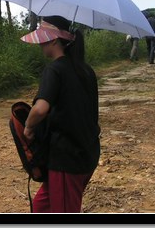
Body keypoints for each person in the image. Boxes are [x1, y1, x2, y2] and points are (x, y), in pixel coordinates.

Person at [20, 16, 100, 213]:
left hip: (67, 160)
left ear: (54, 40)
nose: (40, 44)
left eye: (42, 39)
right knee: (41, 207)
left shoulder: (55, 70)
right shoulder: (86, 70)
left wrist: (28, 128)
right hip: (87, 153)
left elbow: (40, 109)